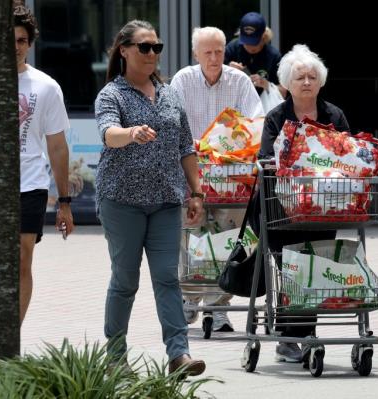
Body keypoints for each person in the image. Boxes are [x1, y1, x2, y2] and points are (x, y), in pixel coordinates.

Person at [94, 19, 205, 377]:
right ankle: (114, 359)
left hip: (166, 202)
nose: (152, 53)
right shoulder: (112, 94)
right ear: (124, 51)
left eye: (156, 47)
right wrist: (131, 132)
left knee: (167, 279)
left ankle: (178, 355)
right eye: (144, 47)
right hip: (121, 201)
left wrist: (197, 192)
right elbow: (108, 134)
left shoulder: (171, 94)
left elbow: (185, 146)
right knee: (125, 281)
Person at [255, 44, 350, 362]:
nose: (306, 82)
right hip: (283, 207)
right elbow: (265, 157)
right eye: (300, 77)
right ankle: (292, 336)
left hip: (323, 206)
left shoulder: (334, 115)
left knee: (316, 265)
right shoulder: (276, 117)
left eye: (312, 76)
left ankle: (301, 335)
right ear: (287, 83)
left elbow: (349, 154)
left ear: (320, 82)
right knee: (293, 268)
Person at [170, 26, 263, 333]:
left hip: (230, 175)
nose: (213, 58)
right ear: (196, 54)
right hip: (192, 172)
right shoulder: (183, 80)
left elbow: (256, 119)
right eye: (207, 52)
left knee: (229, 238)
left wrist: (234, 144)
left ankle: (219, 307)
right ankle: (189, 298)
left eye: (219, 52)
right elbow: (172, 122)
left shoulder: (238, 81)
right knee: (190, 236)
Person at [15, 4, 75, 325]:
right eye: (7, 39)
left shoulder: (46, 87)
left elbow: (57, 147)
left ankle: (11, 340)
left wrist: (64, 202)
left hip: (30, 185)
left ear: (30, 43)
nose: (15, 46)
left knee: (23, 260)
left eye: (21, 40)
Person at [225, 12, 287, 107]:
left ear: (263, 36)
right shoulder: (232, 48)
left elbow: (283, 92)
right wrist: (227, 69)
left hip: (262, 108)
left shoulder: (273, 56)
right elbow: (212, 77)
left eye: (253, 42)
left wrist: (265, 84)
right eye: (245, 41)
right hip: (233, 106)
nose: (249, 46)